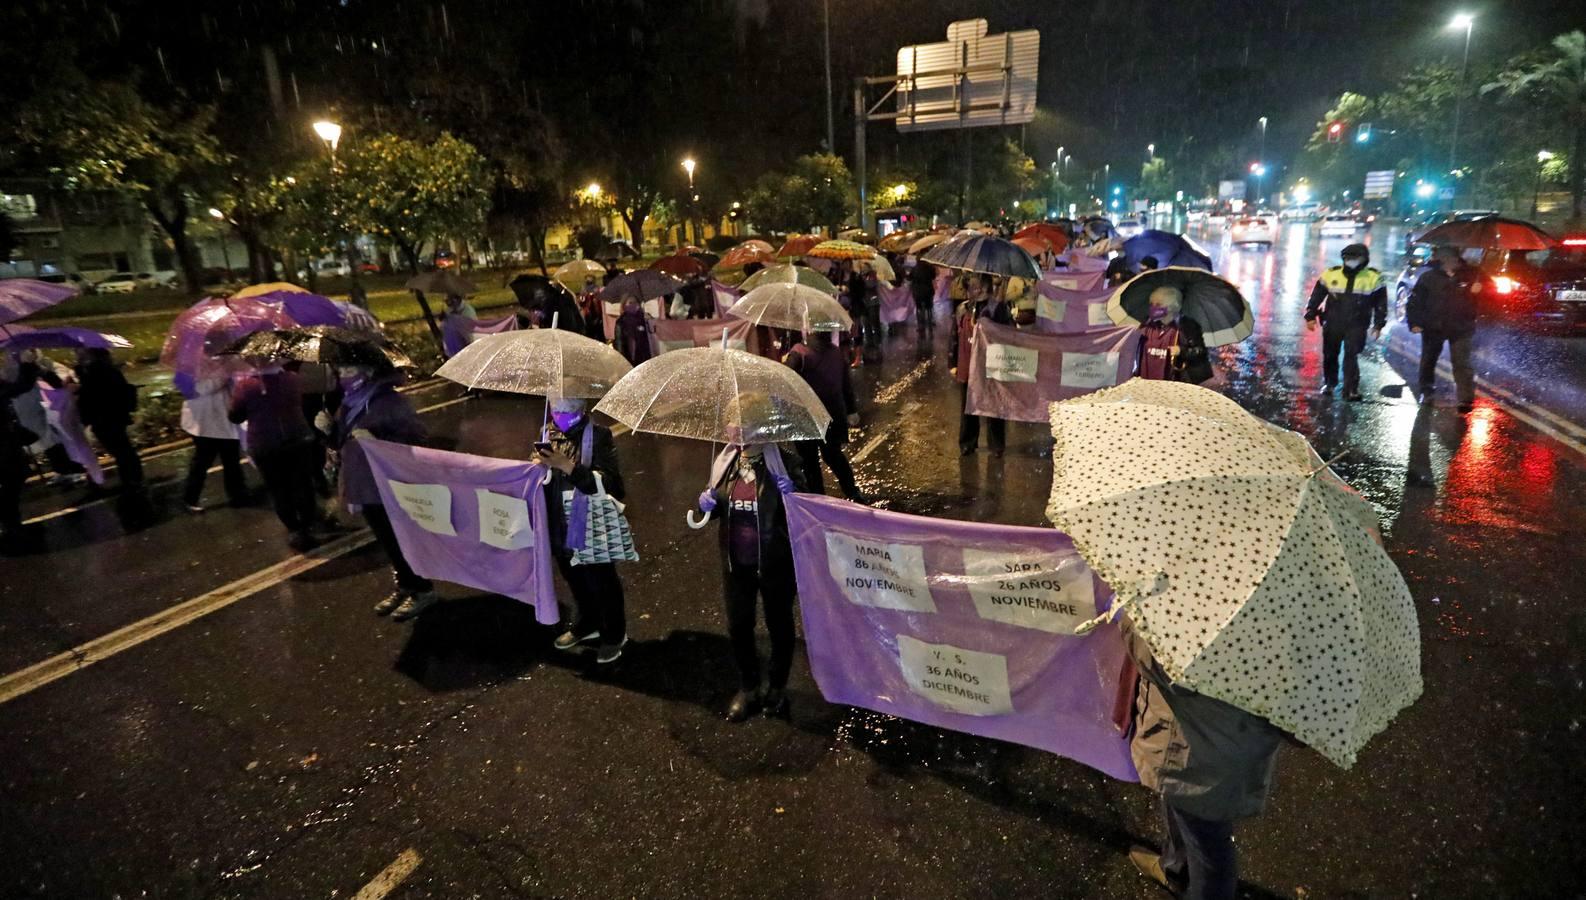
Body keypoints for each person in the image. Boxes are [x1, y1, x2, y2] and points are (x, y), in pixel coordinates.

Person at [1124, 623, 1284, 900]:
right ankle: (1175, 866)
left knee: (1209, 848)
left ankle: (1198, 885)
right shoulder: (1308, 627)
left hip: (1194, 758)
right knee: (1186, 816)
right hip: (1241, 752)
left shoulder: (1203, 600)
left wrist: (1127, 617)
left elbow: (1152, 657)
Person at [696, 443, 806, 721]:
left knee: (779, 625)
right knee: (738, 625)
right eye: (734, 425)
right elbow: (716, 509)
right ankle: (749, 687)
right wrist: (704, 504)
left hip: (775, 562)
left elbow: (808, 511)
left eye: (745, 423)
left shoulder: (785, 462)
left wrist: (795, 494)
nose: (739, 431)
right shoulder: (725, 463)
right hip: (736, 564)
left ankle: (777, 687)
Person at [328, 366, 438, 621]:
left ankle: (423, 590)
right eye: (340, 369)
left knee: (402, 539)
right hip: (363, 482)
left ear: (367, 371)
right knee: (386, 540)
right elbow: (340, 441)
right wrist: (328, 430)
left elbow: (417, 437)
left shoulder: (388, 400)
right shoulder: (347, 403)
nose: (344, 374)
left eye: (350, 368)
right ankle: (404, 585)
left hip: (389, 482)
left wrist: (377, 438)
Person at [537, 397, 629, 665]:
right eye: (556, 409)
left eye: (568, 410)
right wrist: (537, 469)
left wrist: (567, 466)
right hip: (557, 519)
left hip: (589, 520)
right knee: (572, 575)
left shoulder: (598, 435)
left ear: (582, 408)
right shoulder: (547, 432)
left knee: (601, 580)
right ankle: (588, 622)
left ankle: (614, 634)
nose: (562, 416)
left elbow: (613, 484)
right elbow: (541, 476)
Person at [229, 365, 320, 552]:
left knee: (278, 489)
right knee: (303, 484)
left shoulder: (245, 386)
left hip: (265, 444)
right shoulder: (292, 378)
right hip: (298, 438)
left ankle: (294, 528)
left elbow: (235, 416)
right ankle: (307, 524)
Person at [783, 330, 862, 501]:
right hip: (833, 416)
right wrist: (851, 410)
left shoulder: (799, 353)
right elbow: (846, 385)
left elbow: (784, 380)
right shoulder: (836, 352)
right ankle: (853, 492)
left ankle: (818, 500)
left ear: (810, 330)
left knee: (809, 462)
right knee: (834, 456)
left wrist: (785, 361)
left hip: (806, 418)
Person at [1304, 243, 1387, 401]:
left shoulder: (1373, 278)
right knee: (1330, 354)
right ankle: (1330, 383)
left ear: (1364, 259)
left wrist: (1378, 324)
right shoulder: (1331, 274)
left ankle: (1351, 389)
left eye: (1355, 258)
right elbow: (1317, 296)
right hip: (1332, 322)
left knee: (1351, 355)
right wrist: (1310, 315)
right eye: (1348, 258)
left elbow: (1380, 303)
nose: (1351, 261)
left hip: (1357, 324)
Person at [1406, 245, 1479, 413]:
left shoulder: (1471, 276)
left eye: (1455, 259)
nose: (1452, 262)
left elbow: (1489, 299)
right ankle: (1427, 391)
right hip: (1433, 327)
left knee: (1461, 363)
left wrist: (1478, 291)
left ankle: (1465, 398)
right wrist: (1415, 323)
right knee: (1428, 360)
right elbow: (1414, 303)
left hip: (1461, 327)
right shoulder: (1428, 278)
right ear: (1442, 261)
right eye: (1448, 260)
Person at [949, 274, 1012, 456]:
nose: (974, 291)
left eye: (977, 287)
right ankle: (968, 442)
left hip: (991, 364)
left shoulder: (997, 308)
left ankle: (996, 445)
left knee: (994, 405)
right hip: (967, 364)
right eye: (971, 287)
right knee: (968, 406)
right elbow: (954, 336)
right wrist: (952, 363)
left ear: (986, 286)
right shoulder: (962, 308)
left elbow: (1008, 333)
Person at [74, 348, 142, 490]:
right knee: (122, 449)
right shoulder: (104, 370)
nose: (77, 354)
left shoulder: (97, 372)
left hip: (105, 419)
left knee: (121, 451)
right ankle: (133, 479)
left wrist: (79, 382)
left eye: (80, 352)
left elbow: (94, 394)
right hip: (113, 418)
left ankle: (132, 480)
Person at [180, 376, 249, 512]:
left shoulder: (223, 359)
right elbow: (201, 388)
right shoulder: (191, 365)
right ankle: (190, 498)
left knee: (231, 460)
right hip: (203, 421)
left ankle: (238, 495)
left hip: (224, 417)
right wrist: (223, 374)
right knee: (203, 460)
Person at [614, 295, 653, 366]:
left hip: (644, 357)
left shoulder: (643, 318)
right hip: (628, 357)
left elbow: (651, 336)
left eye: (635, 302)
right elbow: (619, 341)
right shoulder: (621, 321)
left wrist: (649, 321)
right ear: (624, 305)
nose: (633, 305)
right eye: (630, 303)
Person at [907, 256, 937, 333]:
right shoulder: (930, 268)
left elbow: (909, 278)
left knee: (919, 308)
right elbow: (933, 276)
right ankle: (930, 322)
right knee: (929, 307)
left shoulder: (914, 269)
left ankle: (920, 326)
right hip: (928, 290)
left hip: (917, 292)